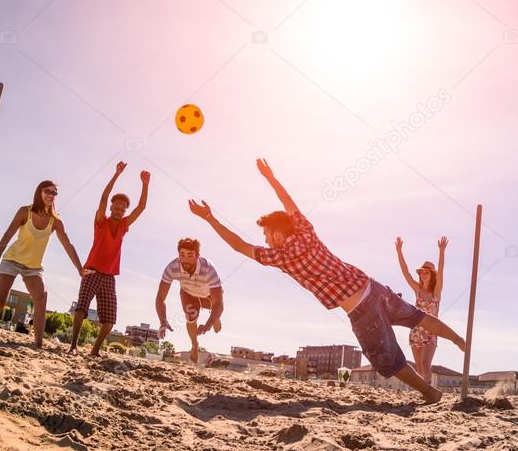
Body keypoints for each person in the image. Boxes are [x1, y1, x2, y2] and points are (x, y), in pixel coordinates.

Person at [188, 158, 467, 404]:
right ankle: (457, 338)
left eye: (266, 236)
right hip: (373, 287)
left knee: (387, 360)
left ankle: (429, 393)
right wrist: (271, 178)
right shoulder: (306, 232)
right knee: (417, 316)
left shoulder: (281, 256)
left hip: (361, 309)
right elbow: (289, 204)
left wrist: (210, 218)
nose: (265, 241)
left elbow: (238, 245)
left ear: (275, 234)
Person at [0, 180, 86, 348]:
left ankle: (38, 344)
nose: (51, 195)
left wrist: (80, 269)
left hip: (33, 267)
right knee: (0, 301)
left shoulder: (56, 222)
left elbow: (68, 245)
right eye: (47, 191)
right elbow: (9, 233)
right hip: (12, 260)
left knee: (41, 298)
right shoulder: (25, 212)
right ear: (39, 192)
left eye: (54, 193)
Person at [69, 162, 150, 356]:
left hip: (109, 277)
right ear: (112, 206)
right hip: (92, 271)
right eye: (116, 207)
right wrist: (116, 174)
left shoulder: (123, 225)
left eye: (123, 209)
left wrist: (145, 184)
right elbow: (104, 197)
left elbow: (141, 208)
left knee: (110, 320)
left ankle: (94, 351)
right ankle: (73, 345)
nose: (119, 210)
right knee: (81, 308)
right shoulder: (101, 221)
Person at [155, 238, 224, 364]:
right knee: (191, 317)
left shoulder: (208, 269)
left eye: (190, 255)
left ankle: (214, 317)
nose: (185, 259)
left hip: (209, 296)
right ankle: (194, 345)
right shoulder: (172, 267)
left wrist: (208, 324)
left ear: (197, 256)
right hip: (188, 293)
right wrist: (162, 321)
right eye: (182, 255)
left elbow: (219, 303)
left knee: (216, 309)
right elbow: (160, 298)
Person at [395, 236, 447, 383]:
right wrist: (399, 251)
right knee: (419, 366)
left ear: (432, 275)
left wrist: (441, 251)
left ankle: (429, 389)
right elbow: (405, 272)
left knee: (426, 364)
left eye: (427, 272)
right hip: (416, 330)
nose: (423, 275)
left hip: (432, 330)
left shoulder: (436, 291)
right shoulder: (417, 289)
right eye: (422, 272)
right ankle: (423, 391)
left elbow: (441, 271)